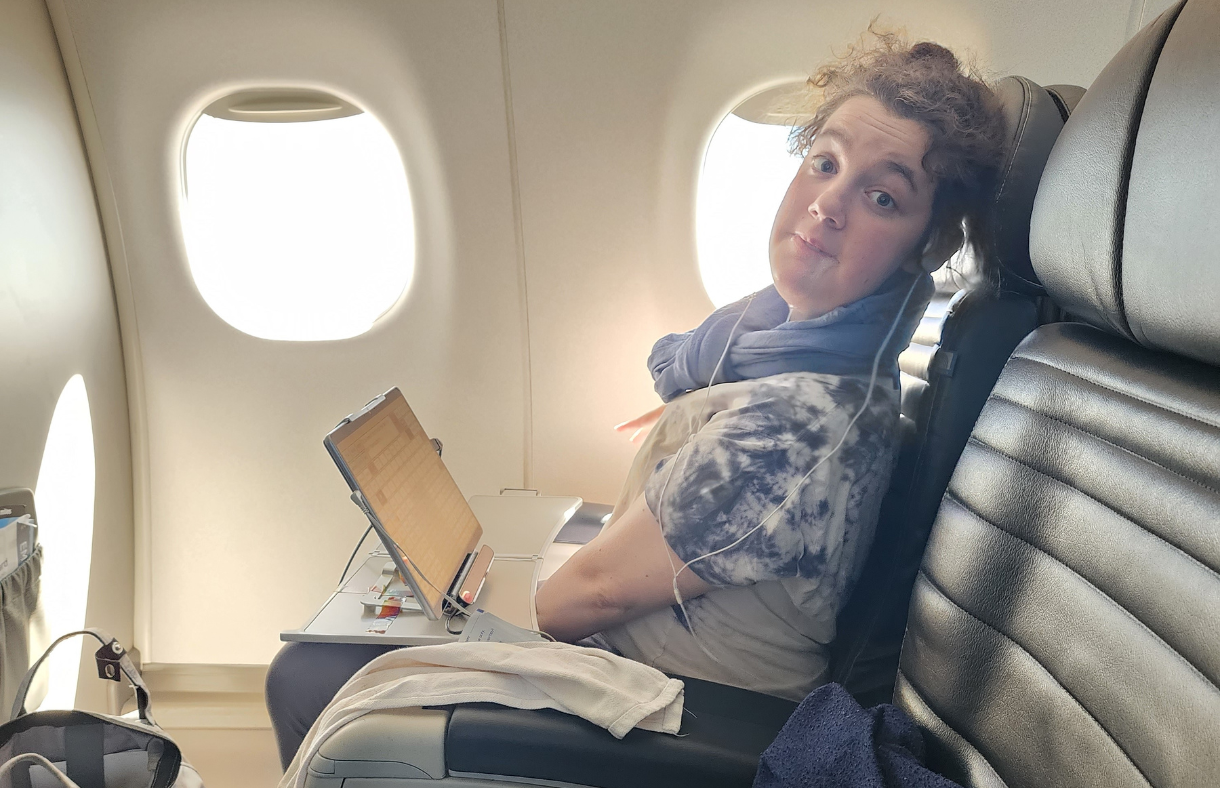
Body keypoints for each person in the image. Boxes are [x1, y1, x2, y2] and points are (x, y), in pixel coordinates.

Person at [266, 30, 1007, 768]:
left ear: (926, 248)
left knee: (313, 675)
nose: (828, 205)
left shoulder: (797, 424)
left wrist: (484, 596)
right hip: (659, 666)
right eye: (823, 163)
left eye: (882, 195)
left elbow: (568, 605)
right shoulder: (786, 351)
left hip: (680, 714)